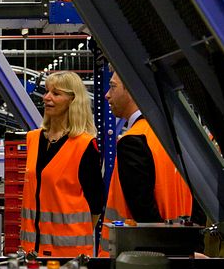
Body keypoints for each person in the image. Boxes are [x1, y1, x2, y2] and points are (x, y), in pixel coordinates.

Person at [100, 69, 193, 254]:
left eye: (112, 87)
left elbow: (144, 214)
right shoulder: (171, 135)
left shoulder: (134, 140)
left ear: (132, 90)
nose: (106, 95)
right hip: (181, 249)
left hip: (141, 260)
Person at [20, 71, 104, 257]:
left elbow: (96, 205)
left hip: (69, 254)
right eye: (47, 91)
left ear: (73, 101)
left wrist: (72, 234)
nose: (46, 97)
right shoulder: (33, 139)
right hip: (31, 251)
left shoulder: (84, 145)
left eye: (56, 93)